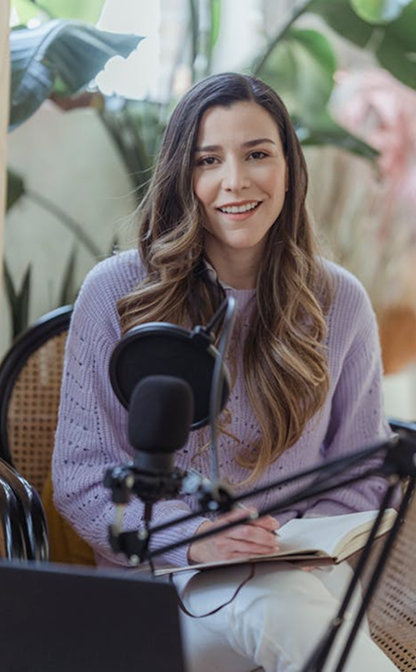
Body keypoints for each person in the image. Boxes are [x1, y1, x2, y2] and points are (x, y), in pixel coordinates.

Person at [52, 72, 399, 672]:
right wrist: (194, 537)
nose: (235, 180)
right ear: (181, 177)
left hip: (301, 571)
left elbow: (363, 473)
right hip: (163, 579)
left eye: (257, 154)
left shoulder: (339, 301)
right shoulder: (116, 294)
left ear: (289, 168)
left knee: (277, 597)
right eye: (208, 160)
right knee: (270, 604)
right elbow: (80, 477)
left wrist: (270, 540)